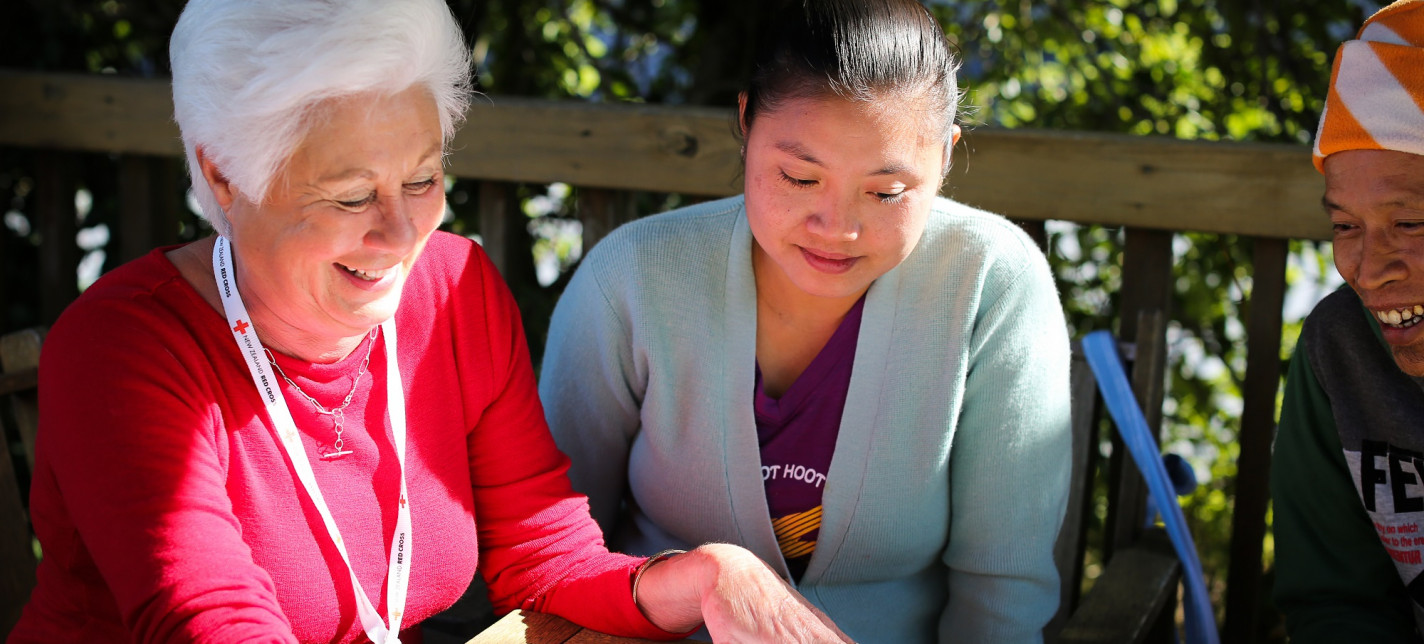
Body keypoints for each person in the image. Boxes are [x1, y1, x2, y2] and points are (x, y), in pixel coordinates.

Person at [6, 1, 850, 642]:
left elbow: (543, 552)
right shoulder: (121, 347)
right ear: (223, 177)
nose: (404, 233)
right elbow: (211, 619)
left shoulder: (455, 289)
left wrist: (707, 576)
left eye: (422, 179)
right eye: (349, 196)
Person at [539, 0, 1073, 641]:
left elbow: (1001, 596)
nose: (838, 228)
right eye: (798, 177)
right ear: (745, 123)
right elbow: (548, 545)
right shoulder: (632, 276)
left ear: (946, 156)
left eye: (886, 192)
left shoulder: (991, 283)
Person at [1271, 1, 1424, 641]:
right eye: (1344, 227)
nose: (1368, 268)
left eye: (1411, 223)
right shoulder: (1339, 352)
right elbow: (1335, 604)